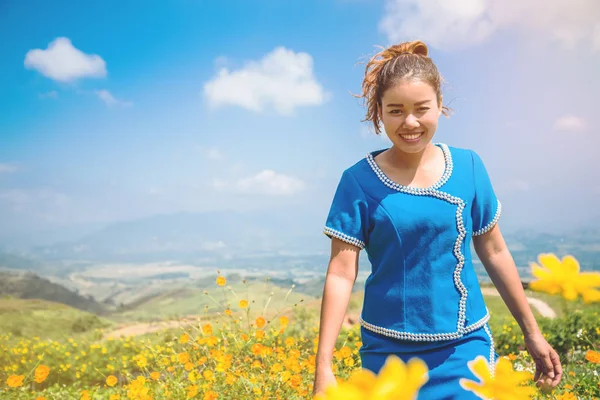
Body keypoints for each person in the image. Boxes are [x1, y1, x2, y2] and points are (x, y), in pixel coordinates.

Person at [312, 40, 562, 399]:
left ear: (440, 107)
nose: (410, 122)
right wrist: (324, 367)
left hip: (466, 350)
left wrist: (532, 332)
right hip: (388, 357)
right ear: (378, 112)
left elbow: (494, 251)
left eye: (421, 109)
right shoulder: (357, 182)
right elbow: (340, 272)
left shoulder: (469, 167)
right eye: (396, 110)